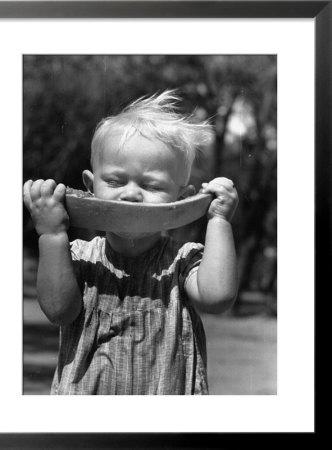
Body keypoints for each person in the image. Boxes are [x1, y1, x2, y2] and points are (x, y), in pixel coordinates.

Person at [23, 90, 239, 395]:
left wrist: (218, 220)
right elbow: (59, 311)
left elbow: (217, 297)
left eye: (151, 185)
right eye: (114, 181)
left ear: (182, 197)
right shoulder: (78, 257)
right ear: (90, 186)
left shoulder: (183, 261)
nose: (131, 194)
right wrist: (52, 234)